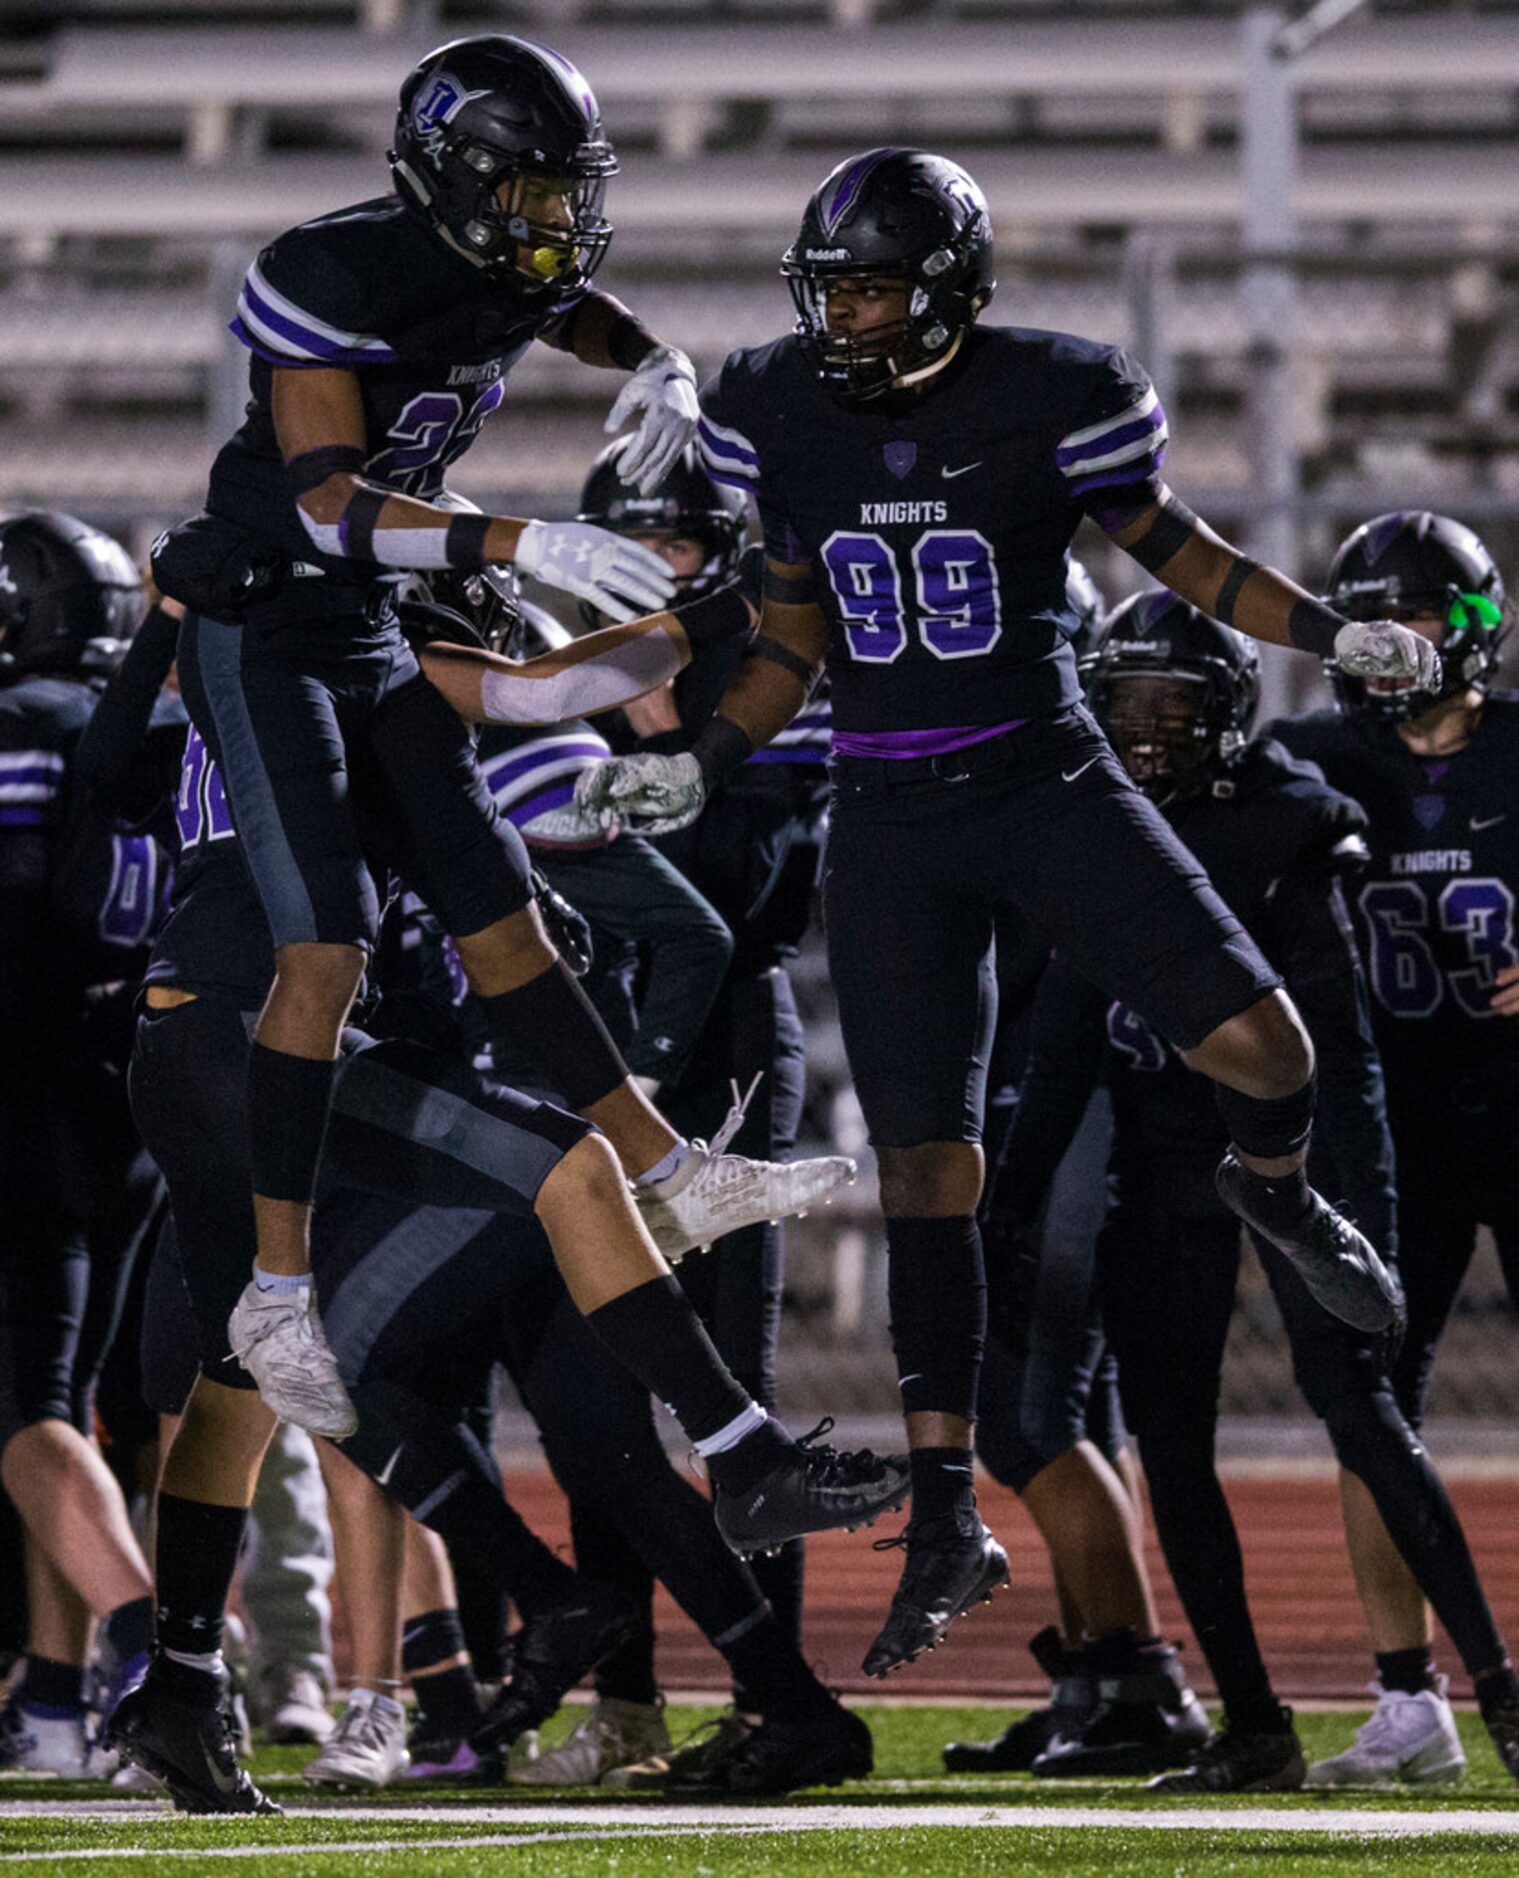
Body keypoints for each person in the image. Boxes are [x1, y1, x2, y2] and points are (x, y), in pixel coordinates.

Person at [573, 146, 1431, 1676]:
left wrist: (1328, 633)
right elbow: (786, 639)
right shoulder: (777, 405)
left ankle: (1278, 1187)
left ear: (949, 288)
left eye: (870, 284)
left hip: (1044, 781)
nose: (840, 314)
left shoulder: (1053, 391)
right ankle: (940, 1508)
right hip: (889, 821)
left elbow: (1183, 554)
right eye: (825, 285)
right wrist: (700, 762)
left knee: (1267, 1049)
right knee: (927, 1172)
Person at [98, 594, 908, 1815]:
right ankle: (742, 1453)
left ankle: (180, 1679)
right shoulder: (365, 683)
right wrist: (736, 603)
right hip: (262, 1043)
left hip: (193, 1043)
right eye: (473, 647)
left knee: (237, 1385)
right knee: (568, 1165)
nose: (493, 670)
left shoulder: (260, 690)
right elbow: (541, 701)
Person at [157, 32, 846, 1439]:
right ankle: (275, 1290)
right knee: (325, 949)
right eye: (526, 195)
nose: (551, 225)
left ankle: (662, 1164)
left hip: (365, 625)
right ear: (445, 176)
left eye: (562, 195)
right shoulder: (328, 273)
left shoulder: (492, 266)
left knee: (505, 914)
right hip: (268, 622)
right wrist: (516, 537)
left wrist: (658, 362)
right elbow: (325, 506)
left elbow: (568, 307)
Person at [996, 592, 1519, 1792]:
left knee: (1360, 1409)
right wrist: (1011, 1204)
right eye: (1124, 703)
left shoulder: (1283, 826)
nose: (1146, 731)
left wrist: (1359, 1203)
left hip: (1298, 1156)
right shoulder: (1088, 823)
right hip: (1164, 1155)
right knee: (1172, 1442)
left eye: (1172, 706)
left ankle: (1492, 1685)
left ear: (1227, 718)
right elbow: (1072, 1028)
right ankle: (1250, 1721)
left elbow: (1337, 1052)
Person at [1272, 512, 1519, 1783]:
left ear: (1472, 627)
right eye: (1369, 624)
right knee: (1370, 1411)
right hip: (1385, 1128)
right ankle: (1407, 1699)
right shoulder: (1305, 764)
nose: (1389, 649)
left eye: (1412, 619)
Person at [0, 514, 175, 1775]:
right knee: (86, 1414)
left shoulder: (20, 729)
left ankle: (149, 1653)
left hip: (25, 1091)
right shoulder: (154, 728)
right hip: (137, 1091)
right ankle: (55, 1704)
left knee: (33, 1417)